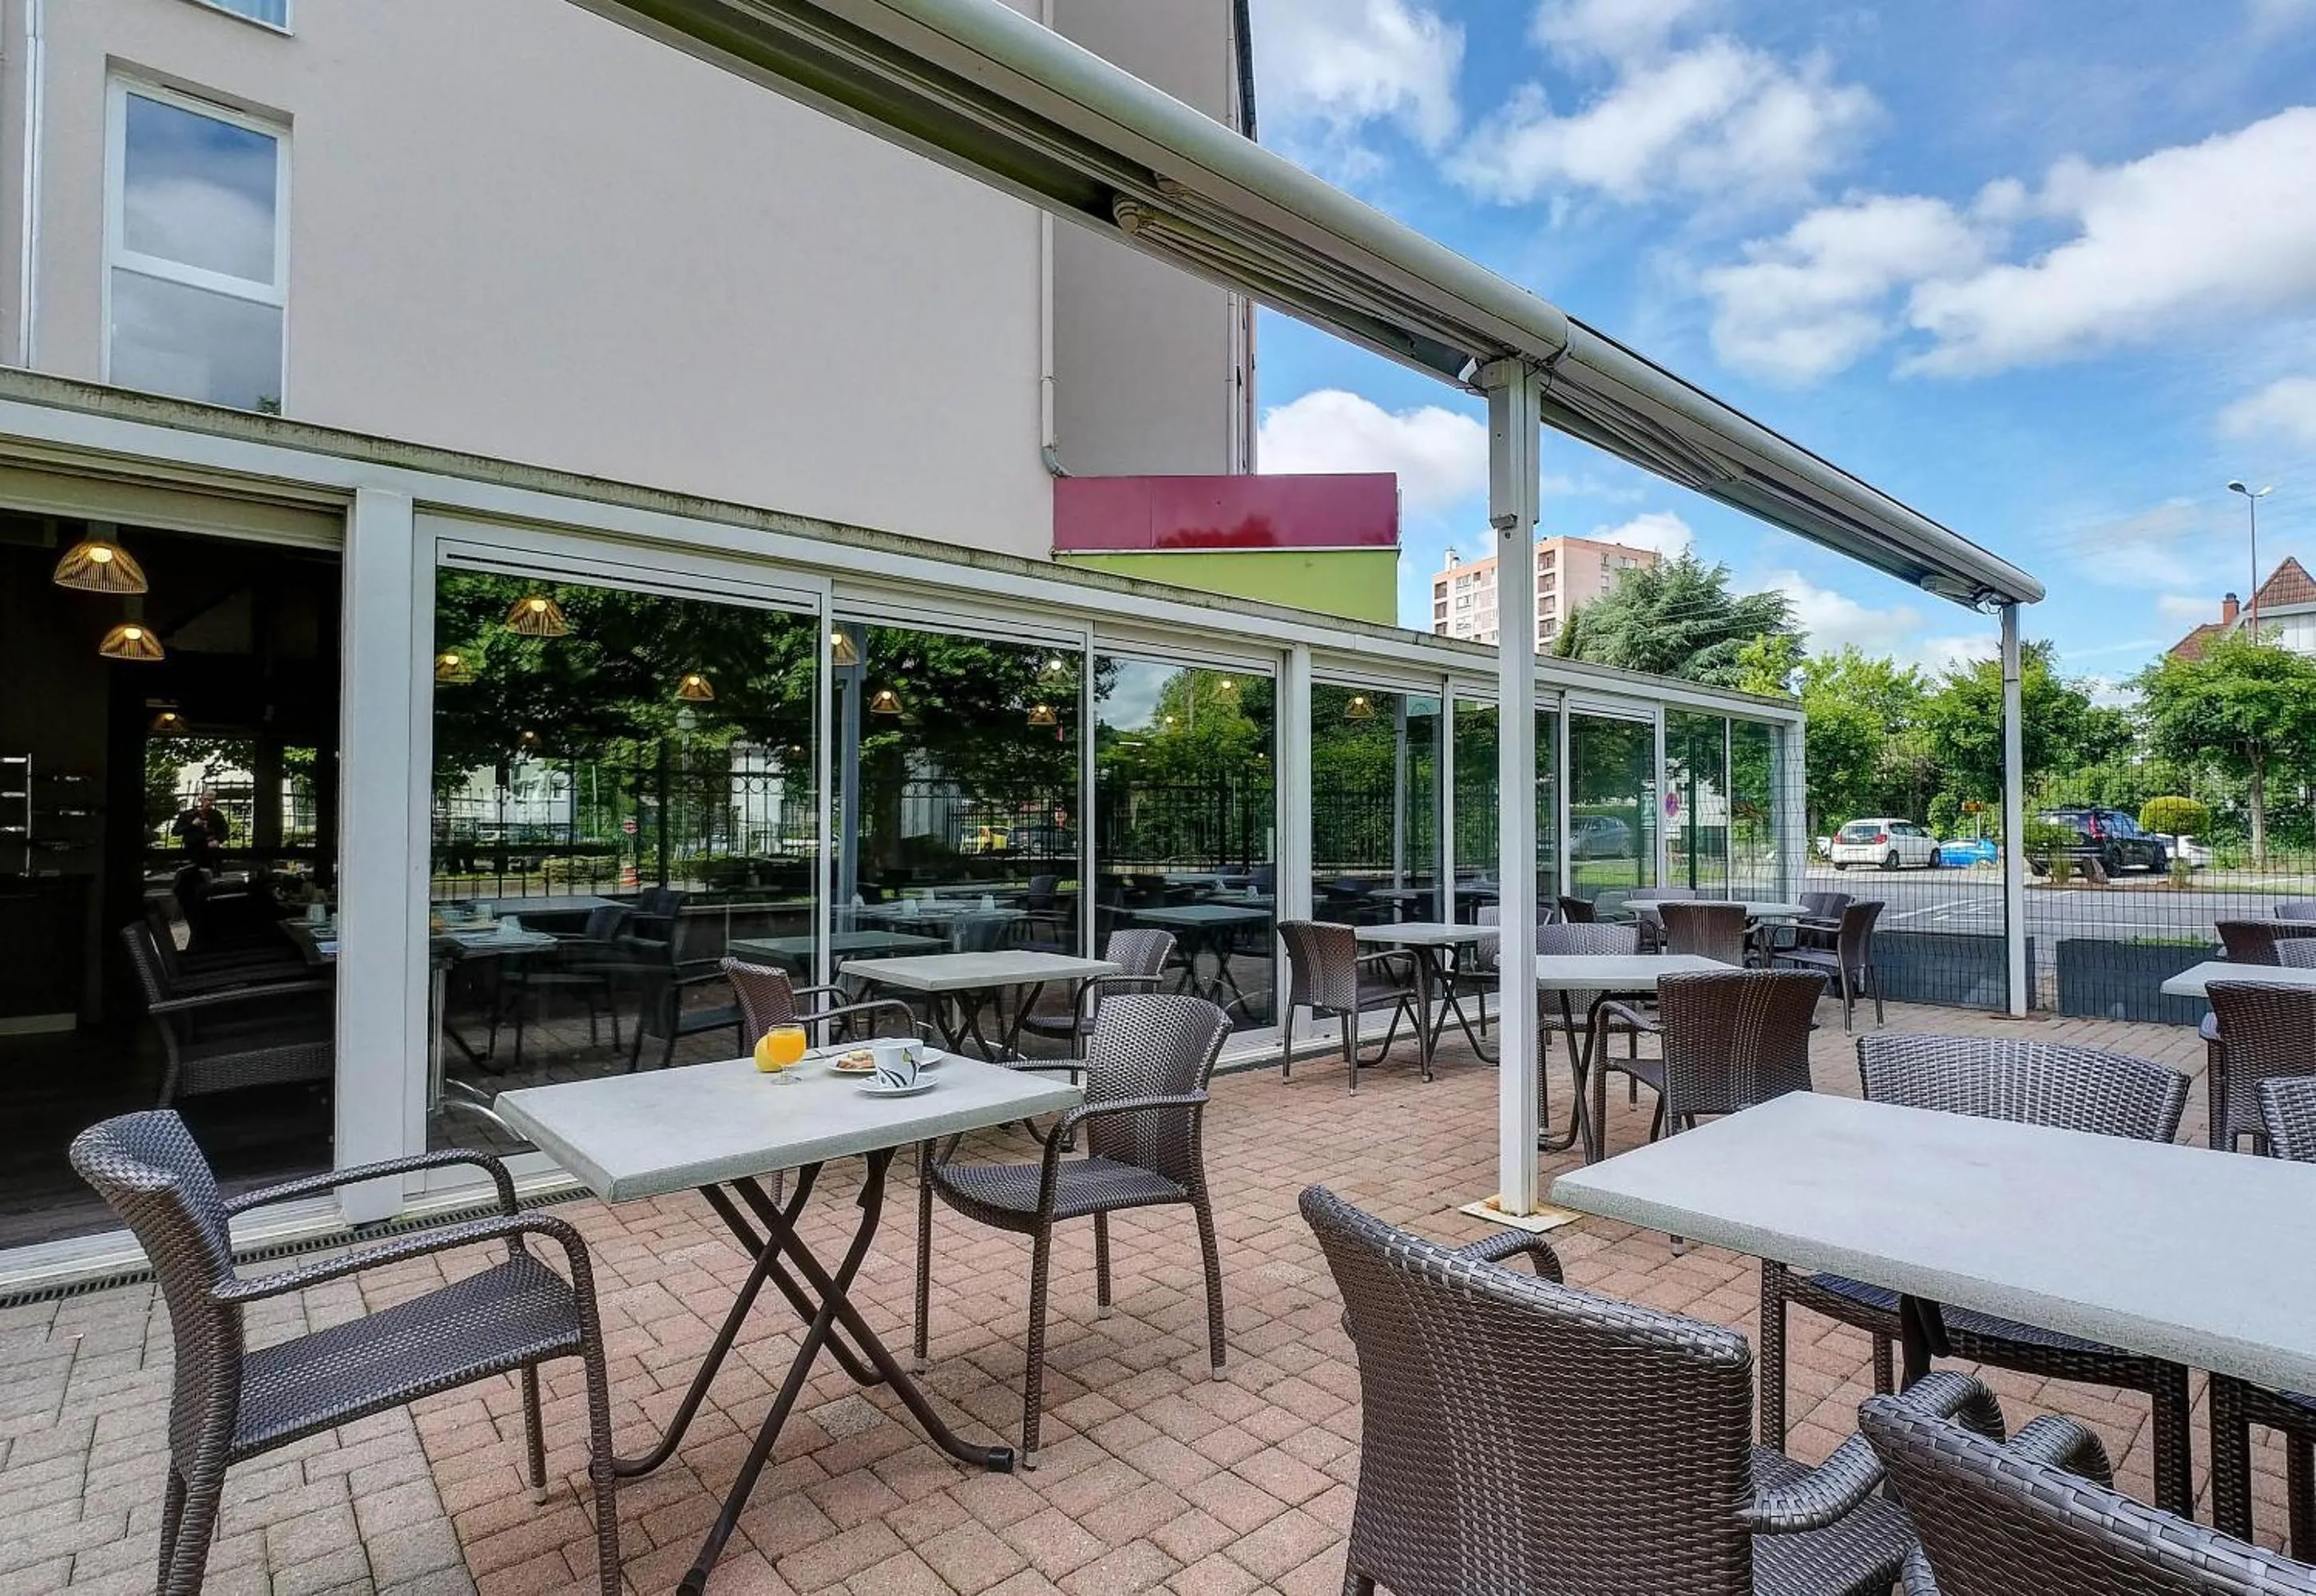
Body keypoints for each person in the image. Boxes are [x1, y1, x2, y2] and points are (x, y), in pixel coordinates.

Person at [173, 789, 229, 869]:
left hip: (211, 850)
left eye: (212, 800)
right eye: (206, 799)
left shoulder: (217, 815)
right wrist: (192, 825)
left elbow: (225, 831)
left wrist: (218, 840)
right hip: (193, 849)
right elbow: (175, 832)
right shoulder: (187, 814)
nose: (209, 803)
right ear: (201, 799)